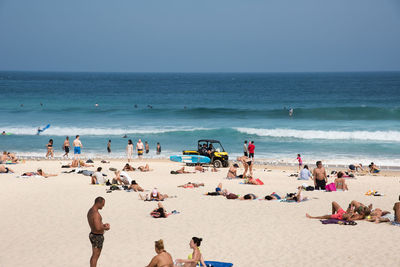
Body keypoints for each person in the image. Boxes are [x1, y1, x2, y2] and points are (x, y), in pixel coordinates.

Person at [87, 197, 110, 267]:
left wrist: (102, 225)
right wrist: (106, 227)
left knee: (94, 255)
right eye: (102, 204)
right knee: (95, 256)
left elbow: (95, 224)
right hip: (97, 236)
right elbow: (97, 228)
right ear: (98, 203)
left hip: (93, 234)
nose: (103, 206)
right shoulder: (96, 213)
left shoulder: (90, 211)